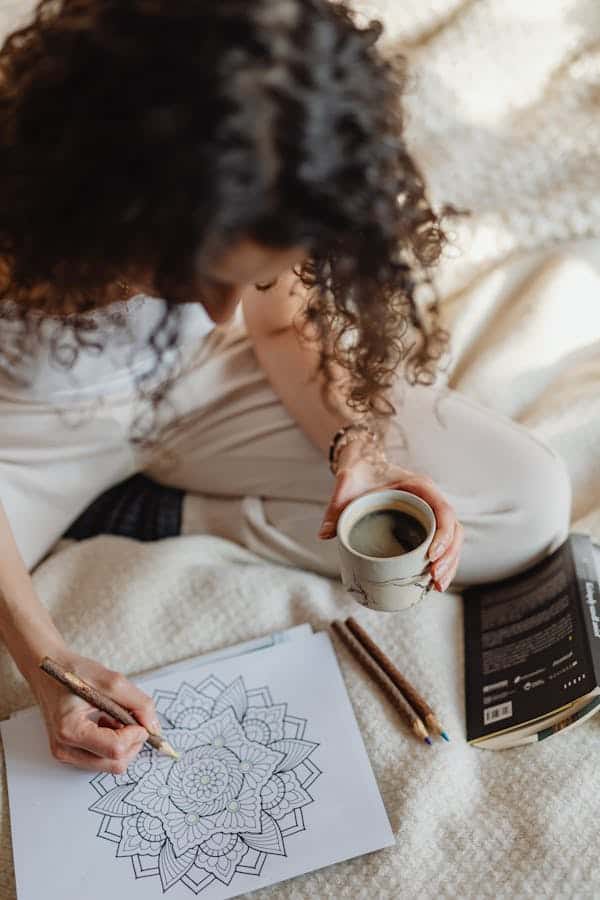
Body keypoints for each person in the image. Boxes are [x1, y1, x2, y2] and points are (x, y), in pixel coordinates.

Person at [0, 0, 571, 774]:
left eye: (245, 274)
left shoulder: (266, 148)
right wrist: (49, 665)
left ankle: (166, 511)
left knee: (522, 501)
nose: (221, 309)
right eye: (193, 276)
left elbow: (272, 328)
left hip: (204, 388)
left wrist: (355, 450)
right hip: (21, 439)